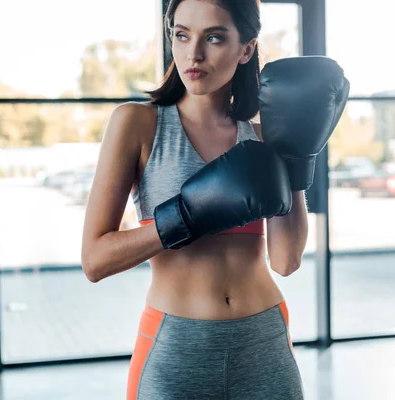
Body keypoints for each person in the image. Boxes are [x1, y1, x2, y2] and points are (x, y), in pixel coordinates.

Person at [80, 0, 349, 398]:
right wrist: (186, 216)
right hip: (177, 346)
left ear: (246, 49)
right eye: (182, 34)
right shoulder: (138, 124)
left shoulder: (262, 136)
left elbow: (286, 260)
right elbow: (95, 260)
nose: (194, 53)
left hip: (263, 342)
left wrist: (297, 157)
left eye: (215, 37)